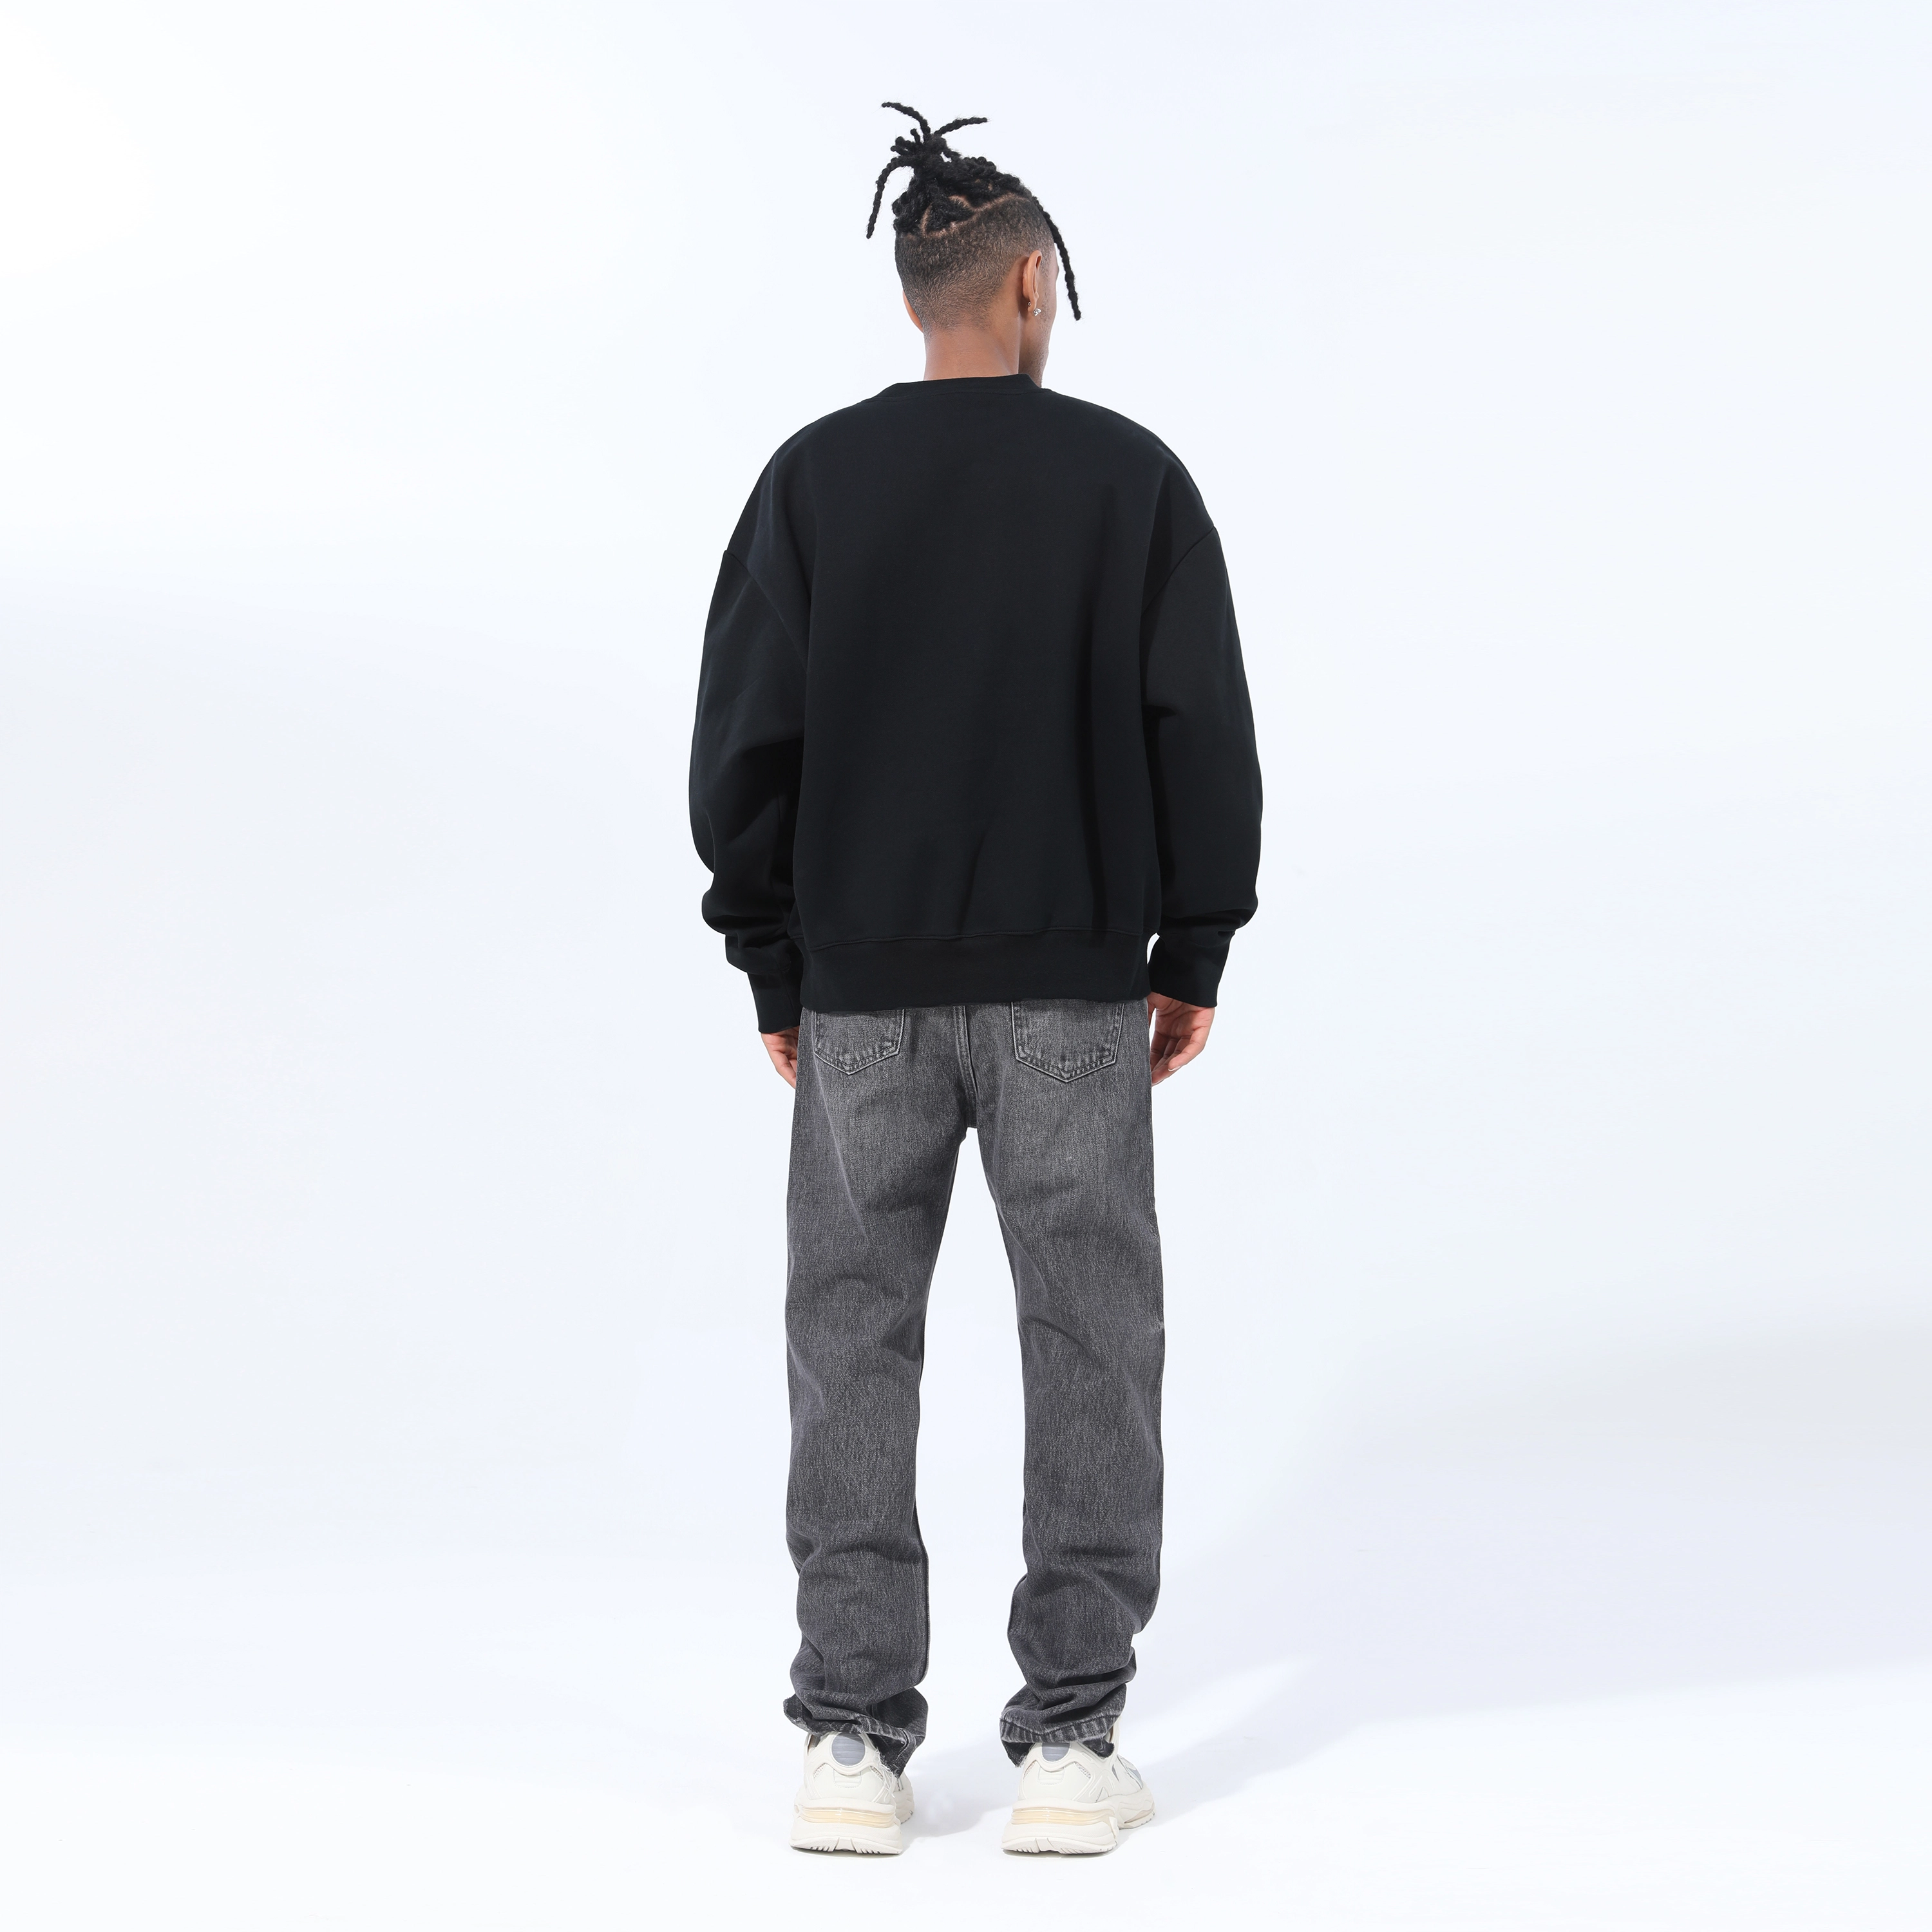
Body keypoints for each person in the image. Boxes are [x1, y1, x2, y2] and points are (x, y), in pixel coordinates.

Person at [688, 103, 1262, 1857]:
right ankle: (1071, 1744)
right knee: (1092, 1337)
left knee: (851, 1340)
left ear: (913, 291)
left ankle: (851, 1742)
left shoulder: (812, 482)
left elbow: (745, 738)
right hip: (1073, 994)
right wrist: (1192, 943)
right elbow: (1200, 726)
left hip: (859, 996)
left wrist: (775, 963)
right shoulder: (1128, 480)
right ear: (1027, 285)